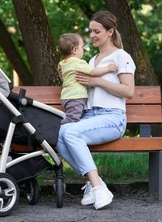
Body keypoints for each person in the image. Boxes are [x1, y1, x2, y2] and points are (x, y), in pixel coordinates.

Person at [56, 11, 136, 210]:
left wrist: (96, 81)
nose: (92, 35)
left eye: (96, 31)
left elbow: (129, 91)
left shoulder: (121, 56)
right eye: (90, 31)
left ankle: (98, 187)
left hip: (112, 117)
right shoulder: (90, 61)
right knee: (57, 134)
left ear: (110, 32)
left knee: (71, 132)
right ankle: (94, 184)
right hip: (90, 116)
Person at [57, 33, 117, 125]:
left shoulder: (63, 63)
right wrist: (108, 68)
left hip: (67, 97)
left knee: (77, 118)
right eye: (82, 47)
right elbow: (93, 72)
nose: (83, 49)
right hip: (75, 97)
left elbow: (60, 70)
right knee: (71, 120)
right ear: (75, 50)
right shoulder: (78, 63)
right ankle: (58, 128)